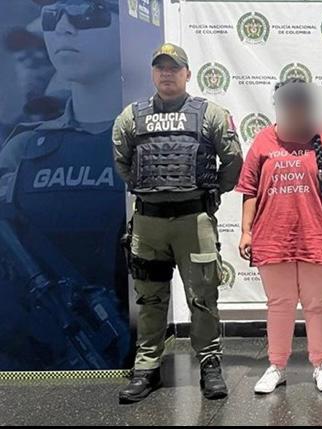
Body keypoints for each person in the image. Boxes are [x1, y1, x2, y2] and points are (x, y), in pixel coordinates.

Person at [0, 0, 128, 372]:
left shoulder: (144, 140)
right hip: (32, 349)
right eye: (53, 15)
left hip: (124, 340)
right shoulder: (24, 148)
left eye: (89, 13)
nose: (64, 28)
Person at [112, 43, 243, 403]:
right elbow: (123, 163)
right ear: (153, 73)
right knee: (150, 298)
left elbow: (233, 160)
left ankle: (210, 365)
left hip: (193, 220)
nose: (167, 73)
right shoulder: (131, 117)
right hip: (149, 223)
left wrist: (210, 193)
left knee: (203, 297)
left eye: (174, 68)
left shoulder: (210, 114)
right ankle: (147, 369)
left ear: (187, 73)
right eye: (161, 68)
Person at [235, 78, 322, 394]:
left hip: (317, 235)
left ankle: (321, 364)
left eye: (300, 102)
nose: (295, 107)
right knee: (279, 304)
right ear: (279, 105)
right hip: (272, 237)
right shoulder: (263, 141)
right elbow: (250, 190)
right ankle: (277, 366)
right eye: (288, 102)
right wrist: (246, 231)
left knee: (317, 304)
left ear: (309, 104)